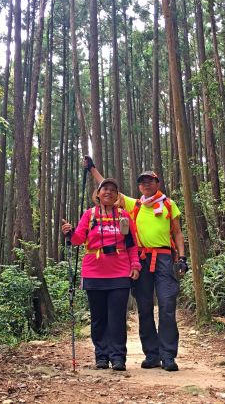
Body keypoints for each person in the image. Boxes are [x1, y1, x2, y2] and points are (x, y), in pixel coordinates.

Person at [83, 156, 188, 372]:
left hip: (165, 259)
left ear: (157, 183)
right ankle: (152, 355)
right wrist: (92, 168)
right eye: (142, 182)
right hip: (141, 259)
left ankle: (168, 355)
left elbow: (177, 232)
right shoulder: (135, 205)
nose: (146, 184)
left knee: (167, 306)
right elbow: (107, 190)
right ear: (139, 186)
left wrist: (183, 257)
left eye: (150, 180)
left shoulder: (169, 204)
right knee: (145, 308)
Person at [61, 178, 140, 371]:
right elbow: (79, 239)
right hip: (94, 272)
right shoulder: (89, 215)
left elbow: (131, 244)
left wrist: (136, 265)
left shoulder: (123, 215)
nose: (109, 192)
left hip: (120, 272)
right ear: (98, 193)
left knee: (117, 317)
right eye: (105, 189)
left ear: (117, 196)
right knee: (98, 318)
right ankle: (101, 356)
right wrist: (69, 232)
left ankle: (118, 357)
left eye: (113, 190)